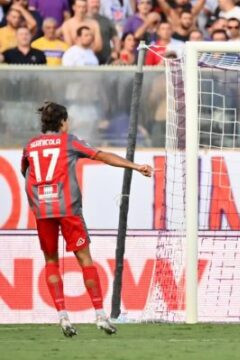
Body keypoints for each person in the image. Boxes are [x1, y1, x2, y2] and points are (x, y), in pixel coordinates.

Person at [21, 102, 152, 337]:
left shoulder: (30, 145)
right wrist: (134, 166)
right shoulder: (68, 140)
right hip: (68, 209)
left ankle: (63, 317)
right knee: (85, 260)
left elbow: (25, 171)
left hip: (42, 210)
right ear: (62, 122)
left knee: (51, 261)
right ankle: (100, 315)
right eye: (67, 120)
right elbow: (102, 156)